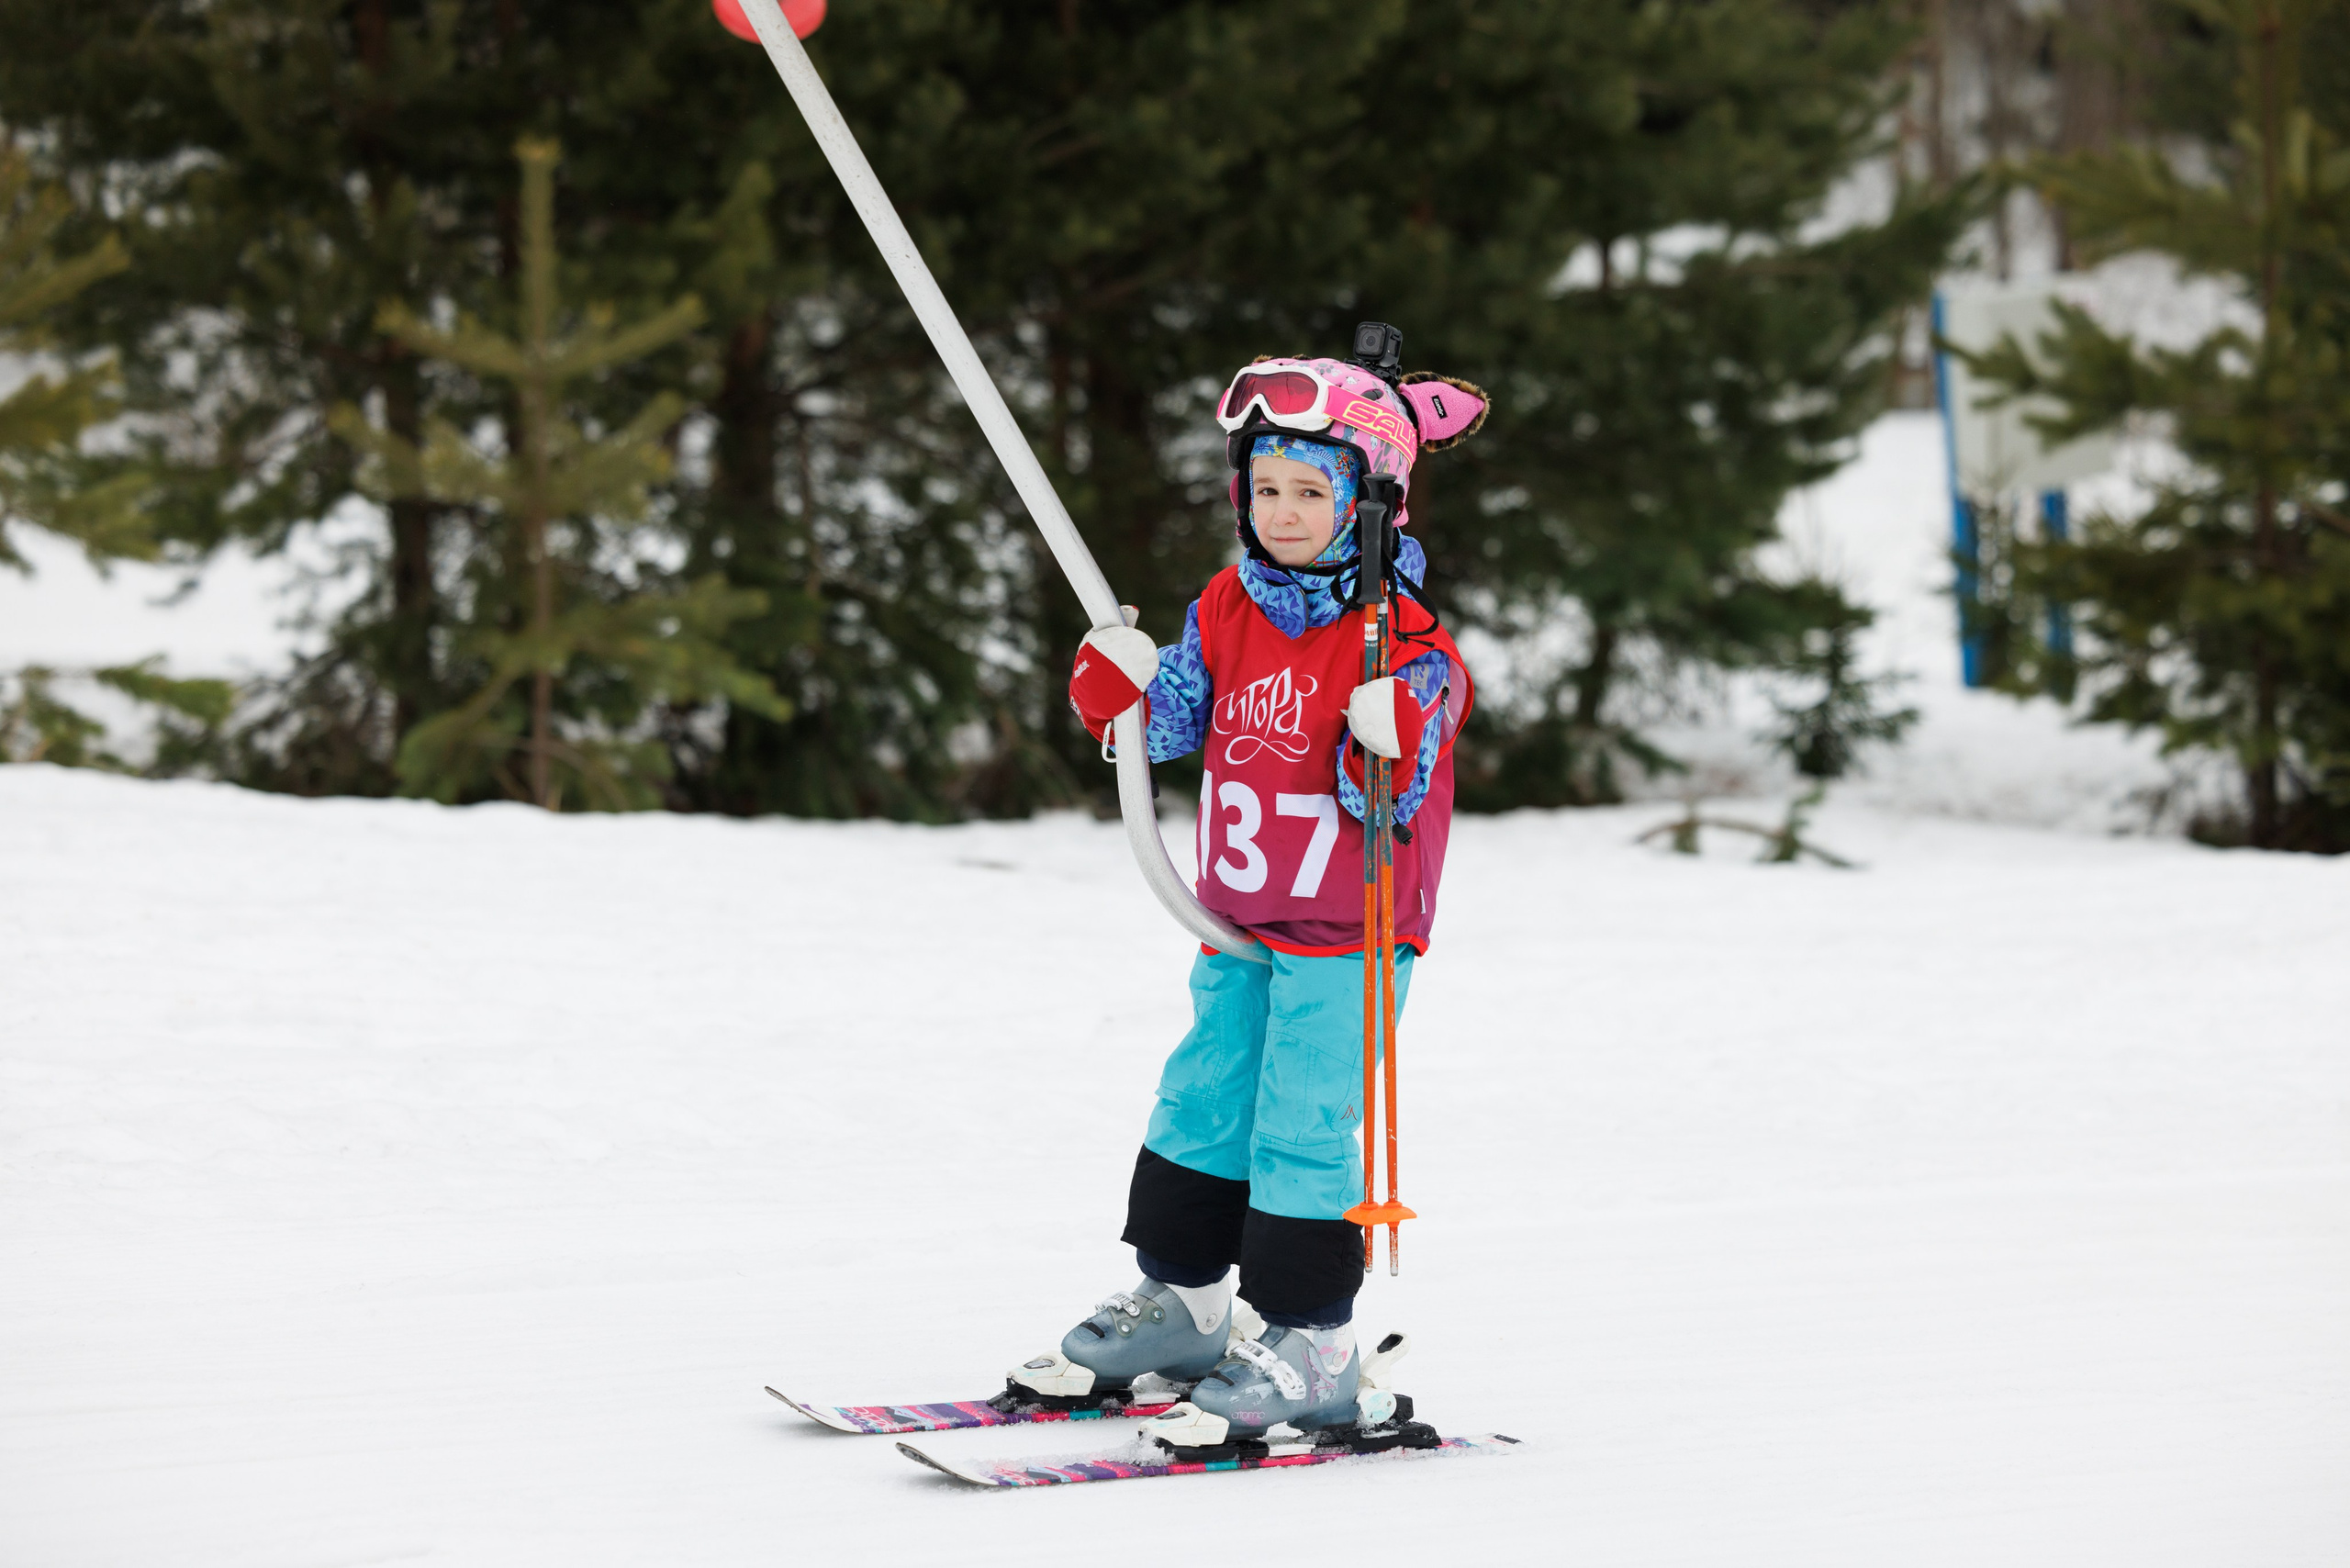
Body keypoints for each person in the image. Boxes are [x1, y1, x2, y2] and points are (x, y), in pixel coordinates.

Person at [1013, 333, 1489, 1442]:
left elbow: (1393, 791)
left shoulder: (1403, 645)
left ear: (1370, 501)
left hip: (1345, 933)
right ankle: (1183, 1305)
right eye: (1264, 486)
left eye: (1309, 490)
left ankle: (1314, 1346)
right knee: (1204, 1099)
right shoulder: (1229, 604)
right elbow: (1169, 721)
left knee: (1299, 1125)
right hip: (1235, 920)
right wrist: (1115, 691)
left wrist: (1386, 741)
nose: (1280, 510)